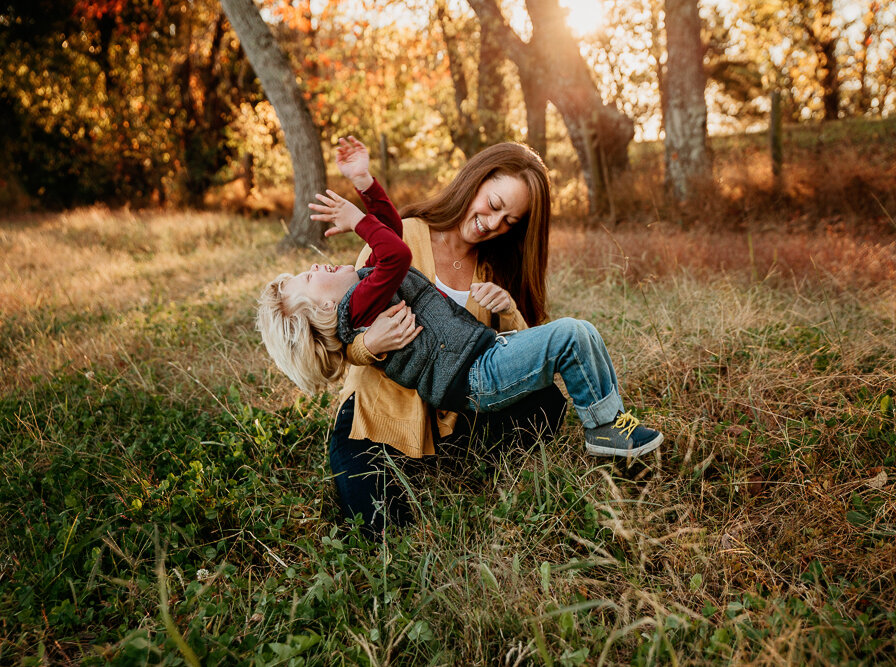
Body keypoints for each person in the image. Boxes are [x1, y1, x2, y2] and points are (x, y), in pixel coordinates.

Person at [258, 138, 663, 534]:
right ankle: (416, 465)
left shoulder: (494, 264)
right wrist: (371, 343)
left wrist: (509, 309)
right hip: (385, 410)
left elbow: (525, 351)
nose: (493, 223)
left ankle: (476, 456)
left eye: (510, 221)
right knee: (375, 520)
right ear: (474, 182)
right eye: (494, 205)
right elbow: (341, 332)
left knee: (548, 398)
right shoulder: (376, 269)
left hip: (460, 393)